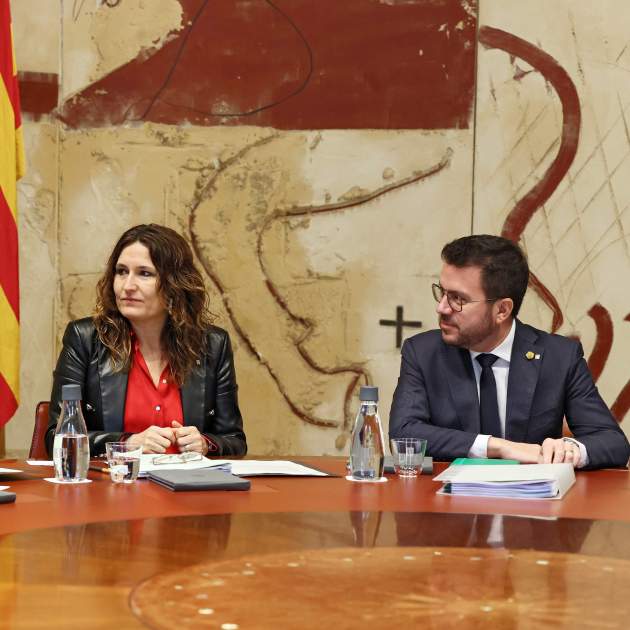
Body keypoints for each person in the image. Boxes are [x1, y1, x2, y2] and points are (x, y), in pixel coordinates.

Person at [389, 234, 630, 469]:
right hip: (449, 494)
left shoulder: (559, 357)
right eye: (442, 292)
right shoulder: (423, 353)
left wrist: (569, 449)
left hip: (533, 495)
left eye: (457, 299)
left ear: (502, 310)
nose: (441, 307)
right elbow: (404, 433)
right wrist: (498, 447)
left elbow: (613, 442)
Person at [45, 224, 246, 457]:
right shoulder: (84, 338)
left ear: (175, 284)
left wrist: (205, 443)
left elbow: (234, 440)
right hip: (118, 479)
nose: (128, 286)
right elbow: (57, 439)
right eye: (121, 271)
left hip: (187, 480)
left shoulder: (213, 345)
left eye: (145, 273)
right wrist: (127, 443)